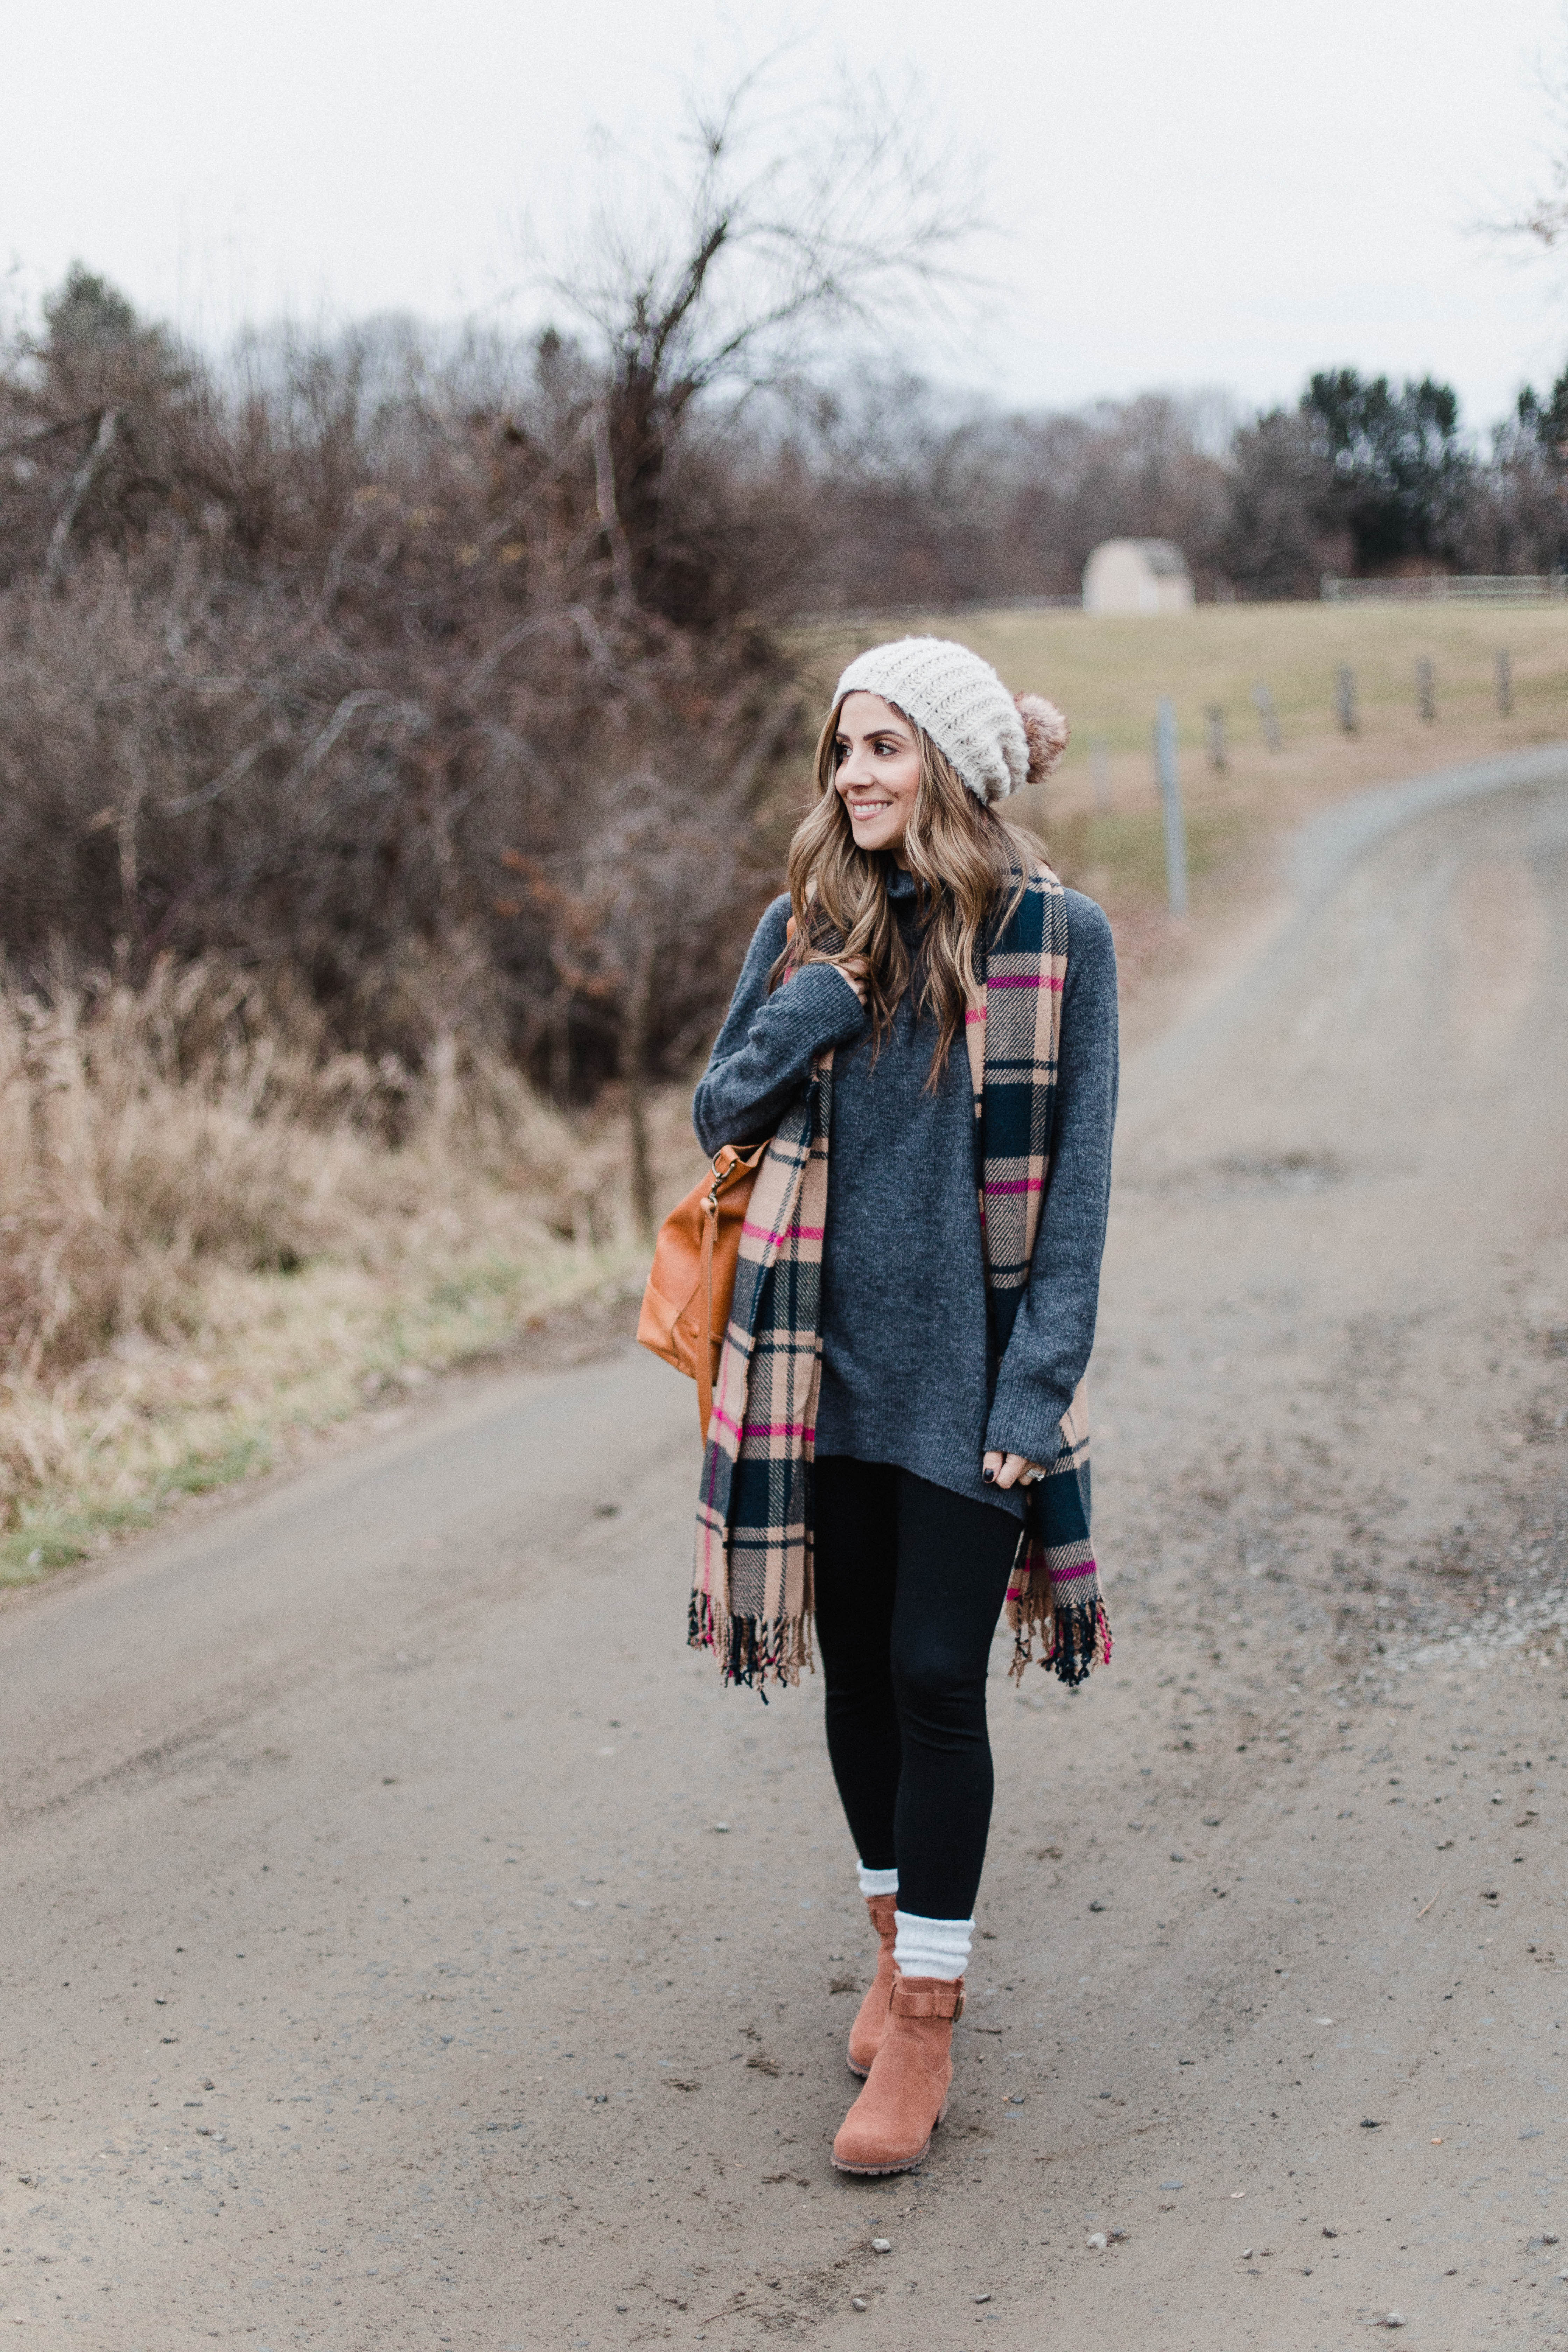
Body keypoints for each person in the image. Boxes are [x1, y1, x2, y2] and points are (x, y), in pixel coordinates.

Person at [689, 635, 1118, 2176]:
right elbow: (717, 1109)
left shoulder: (1060, 939)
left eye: (884, 747)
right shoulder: (804, 928)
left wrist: (1040, 1383)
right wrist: (815, 1001)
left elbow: (1076, 1194)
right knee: (856, 1679)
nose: (855, 774)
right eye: (842, 748)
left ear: (947, 764)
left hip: (970, 1380)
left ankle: (923, 2024)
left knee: (939, 1674)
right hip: (819, 1373)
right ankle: (894, 1938)